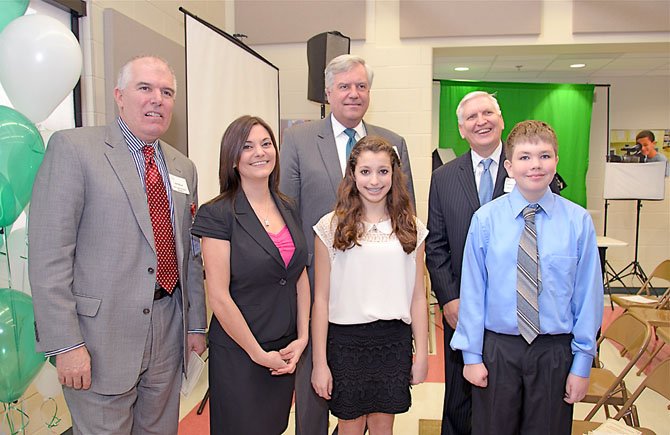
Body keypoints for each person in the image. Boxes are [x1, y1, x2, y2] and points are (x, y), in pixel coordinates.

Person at [28, 55, 207, 434]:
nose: (157, 99)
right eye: (145, 88)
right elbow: (49, 257)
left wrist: (195, 326)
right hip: (98, 340)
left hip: (168, 329)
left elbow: (191, 255)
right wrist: (65, 344)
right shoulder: (74, 150)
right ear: (119, 96)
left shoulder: (182, 167)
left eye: (167, 92)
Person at [279, 54, 415, 434]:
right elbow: (288, 213)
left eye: (361, 86)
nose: (353, 93)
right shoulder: (299, 139)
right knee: (316, 390)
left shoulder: (395, 142)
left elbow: (407, 216)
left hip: (379, 299)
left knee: (373, 409)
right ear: (327, 92)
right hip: (319, 288)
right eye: (344, 86)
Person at [451, 120, 603, 434]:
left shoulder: (578, 222)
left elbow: (588, 296)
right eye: (524, 157)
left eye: (545, 156)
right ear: (509, 165)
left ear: (557, 161)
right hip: (499, 351)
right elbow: (474, 290)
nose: (535, 165)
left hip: (553, 351)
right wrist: (471, 355)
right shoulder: (486, 220)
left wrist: (582, 363)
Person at [191, 115, 310, 434]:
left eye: (266, 143)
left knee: (273, 428)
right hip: (241, 353)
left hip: (284, 348)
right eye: (247, 146)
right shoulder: (217, 214)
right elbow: (218, 295)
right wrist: (258, 354)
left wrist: (303, 338)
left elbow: (299, 275)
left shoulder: (288, 206)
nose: (260, 152)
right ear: (232, 158)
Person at [311, 136, 428, 435]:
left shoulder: (411, 228)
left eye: (383, 171)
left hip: (393, 342)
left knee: (382, 427)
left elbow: (417, 297)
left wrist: (423, 354)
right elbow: (320, 300)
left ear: (394, 174)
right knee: (349, 427)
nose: (374, 180)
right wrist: (319, 363)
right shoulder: (330, 227)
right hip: (346, 343)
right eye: (365, 172)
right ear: (352, 174)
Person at [425, 91, 507, 435]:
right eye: (471, 117)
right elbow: (436, 245)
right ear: (461, 130)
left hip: (511, 310)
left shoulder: (527, 169)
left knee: (505, 394)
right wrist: (449, 299)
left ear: (501, 120)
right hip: (461, 306)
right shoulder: (444, 178)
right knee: (459, 395)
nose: (481, 121)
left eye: (487, 113)